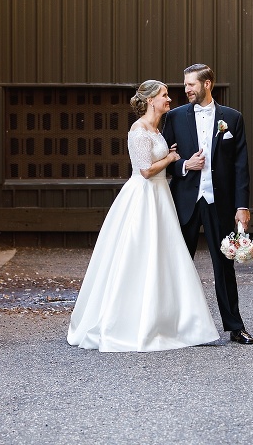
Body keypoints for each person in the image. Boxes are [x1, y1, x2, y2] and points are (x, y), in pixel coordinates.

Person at [67, 80, 220, 352]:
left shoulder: (157, 129)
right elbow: (145, 171)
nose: (169, 99)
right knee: (139, 254)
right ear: (150, 100)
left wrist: (170, 155)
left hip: (160, 196)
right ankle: (130, 321)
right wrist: (171, 159)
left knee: (164, 256)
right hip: (144, 196)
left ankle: (170, 320)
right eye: (164, 95)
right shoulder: (138, 130)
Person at [162, 64, 253, 345]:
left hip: (219, 203)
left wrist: (242, 205)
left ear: (207, 84)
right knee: (179, 265)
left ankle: (235, 327)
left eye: (191, 84)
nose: (186, 89)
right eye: (185, 84)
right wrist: (184, 165)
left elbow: (241, 166)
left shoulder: (232, 118)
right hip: (185, 202)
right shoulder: (174, 117)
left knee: (224, 266)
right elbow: (163, 160)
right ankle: (174, 327)